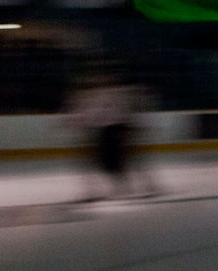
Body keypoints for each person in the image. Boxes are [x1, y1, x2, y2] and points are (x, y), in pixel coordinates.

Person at [63, 69, 158, 202]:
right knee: (112, 162)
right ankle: (122, 188)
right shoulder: (99, 95)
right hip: (104, 132)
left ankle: (136, 187)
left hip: (113, 131)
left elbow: (116, 114)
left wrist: (126, 131)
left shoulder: (113, 95)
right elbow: (97, 115)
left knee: (122, 161)